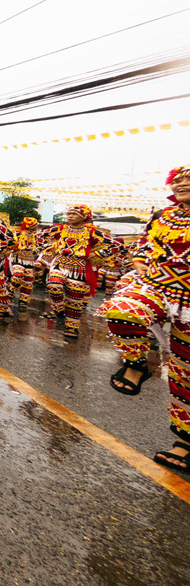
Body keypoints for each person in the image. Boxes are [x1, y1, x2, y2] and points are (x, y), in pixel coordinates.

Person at [103, 164, 190, 473]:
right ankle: (137, 364)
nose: (182, 183)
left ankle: (184, 445)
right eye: (178, 179)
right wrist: (140, 262)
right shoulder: (162, 217)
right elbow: (144, 246)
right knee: (122, 309)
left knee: (185, 374)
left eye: (189, 179)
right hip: (159, 288)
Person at [37, 204, 110, 338]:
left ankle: (72, 327)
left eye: (74, 214)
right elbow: (40, 237)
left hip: (79, 268)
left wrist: (97, 255)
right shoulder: (60, 229)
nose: (69, 216)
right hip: (60, 264)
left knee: (75, 299)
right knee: (54, 284)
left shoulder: (92, 232)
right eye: (68, 214)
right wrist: (50, 247)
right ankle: (59, 309)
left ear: (84, 217)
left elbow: (113, 245)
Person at [10, 217, 41, 310]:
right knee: (18, 275)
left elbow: (40, 247)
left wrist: (36, 251)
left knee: (28, 280)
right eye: (35, 225)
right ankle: (11, 290)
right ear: (29, 226)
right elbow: (11, 243)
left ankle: (23, 300)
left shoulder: (36, 236)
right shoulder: (18, 234)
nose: (36, 226)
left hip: (30, 261)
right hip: (18, 259)